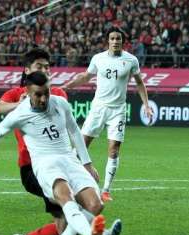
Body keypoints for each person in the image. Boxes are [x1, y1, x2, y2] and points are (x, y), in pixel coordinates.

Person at [0, 48, 122, 235]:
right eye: (39, 66)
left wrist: (85, 163)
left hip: (59, 163)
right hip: (31, 169)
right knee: (74, 206)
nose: (45, 70)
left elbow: (69, 129)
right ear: (27, 70)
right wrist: (21, 104)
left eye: (47, 67)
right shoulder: (17, 95)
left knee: (65, 225)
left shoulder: (57, 95)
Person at [0, 71, 107, 235]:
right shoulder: (20, 114)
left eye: (46, 93)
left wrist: (87, 163)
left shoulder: (60, 103)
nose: (43, 99)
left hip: (70, 160)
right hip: (45, 164)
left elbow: (75, 131)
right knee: (66, 198)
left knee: (95, 205)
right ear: (28, 93)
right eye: (38, 94)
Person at [61, 27, 153, 202]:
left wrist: (146, 105)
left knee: (114, 149)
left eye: (118, 38)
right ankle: (69, 182)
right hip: (99, 108)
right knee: (82, 145)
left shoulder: (131, 60)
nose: (115, 41)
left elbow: (140, 83)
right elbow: (86, 77)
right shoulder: (98, 58)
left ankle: (106, 190)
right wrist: (68, 86)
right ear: (108, 41)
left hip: (118, 110)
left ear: (122, 41)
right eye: (112, 38)